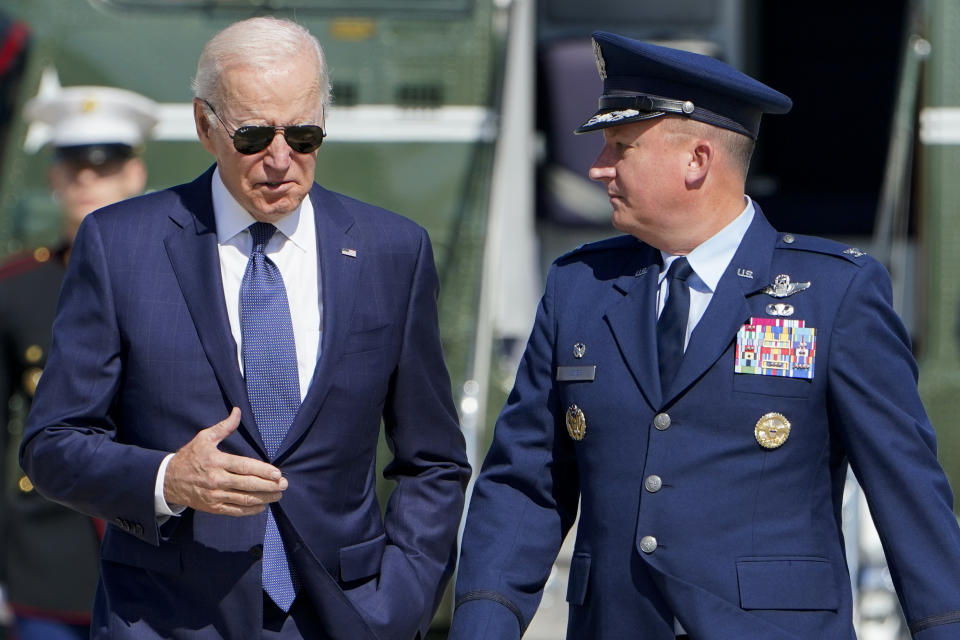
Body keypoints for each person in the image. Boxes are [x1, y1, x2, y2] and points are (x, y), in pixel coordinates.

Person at [449, 31, 960, 640]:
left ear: (696, 160)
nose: (597, 167)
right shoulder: (579, 287)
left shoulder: (834, 293)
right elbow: (523, 485)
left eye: (619, 147)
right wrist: (482, 625)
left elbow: (907, 492)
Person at [19, 16, 469, 640]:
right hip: (171, 618)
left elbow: (433, 461)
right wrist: (166, 480)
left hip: (345, 619)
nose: (281, 160)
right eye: (254, 135)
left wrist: (403, 599)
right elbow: (54, 444)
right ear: (206, 125)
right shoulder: (123, 245)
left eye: (304, 135)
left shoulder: (392, 251)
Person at [0, 84, 156, 640]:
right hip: (48, 555)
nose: (88, 179)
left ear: (134, 173)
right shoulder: (16, 291)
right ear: (53, 176)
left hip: (162, 548)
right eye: (73, 165)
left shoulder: (184, 279)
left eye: (106, 164)